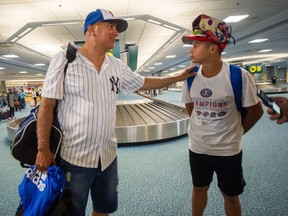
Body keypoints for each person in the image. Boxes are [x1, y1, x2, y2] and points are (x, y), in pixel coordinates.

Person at [35, 8, 195, 216]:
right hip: (75, 159)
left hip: (108, 158)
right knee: (70, 212)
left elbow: (143, 82)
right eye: (111, 26)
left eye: (116, 28)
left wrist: (175, 78)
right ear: (91, 29)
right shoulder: (65, 60)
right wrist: (42, 149)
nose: (116, 32)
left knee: (104, 209)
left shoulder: (115, 65)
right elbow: (47, 106)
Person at [180, 14, 263, 216]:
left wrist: (237, 132)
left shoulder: (238, 75)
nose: (191, 49)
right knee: (199, 188)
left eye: (196, 45)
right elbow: (191, 107)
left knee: (230, 195)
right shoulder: (190, 76)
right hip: (198, 148)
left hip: (227, 151)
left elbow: (256, 110)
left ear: (212, 48)